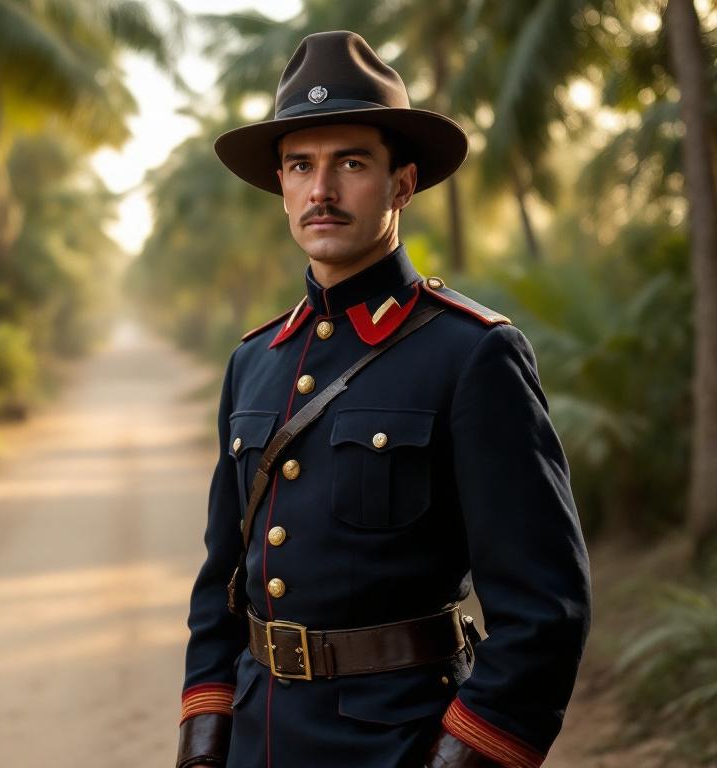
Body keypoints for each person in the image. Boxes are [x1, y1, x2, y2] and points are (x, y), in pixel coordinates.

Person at [175, 30, 592, 768]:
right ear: (281, 186)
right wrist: (205, 740)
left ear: (403, 184)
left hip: (397, 743)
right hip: (256, 742)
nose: (321, 190)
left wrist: (461, 757)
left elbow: (544, 612)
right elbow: (220, 591)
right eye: (300, 166)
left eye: (351, 163)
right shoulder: (254, 363)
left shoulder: (471, 354)